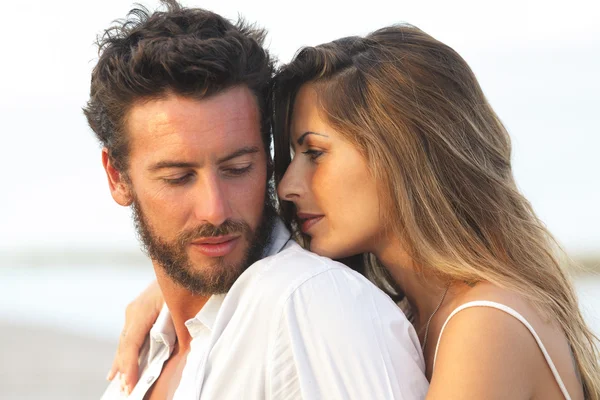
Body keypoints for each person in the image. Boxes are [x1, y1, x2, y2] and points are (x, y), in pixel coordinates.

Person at [111, 20, 600, 400]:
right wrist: (173, 291)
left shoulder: (486, 323)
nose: (290, 184)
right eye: (290, 157)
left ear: (402, 157)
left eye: (315, 154)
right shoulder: (426, 312)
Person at [85, 1, 429, 399]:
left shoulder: (314, 306)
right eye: (179, 178)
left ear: (266, 158)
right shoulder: (147, 348)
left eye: (237, 169)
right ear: (117, 177)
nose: (215, 209)